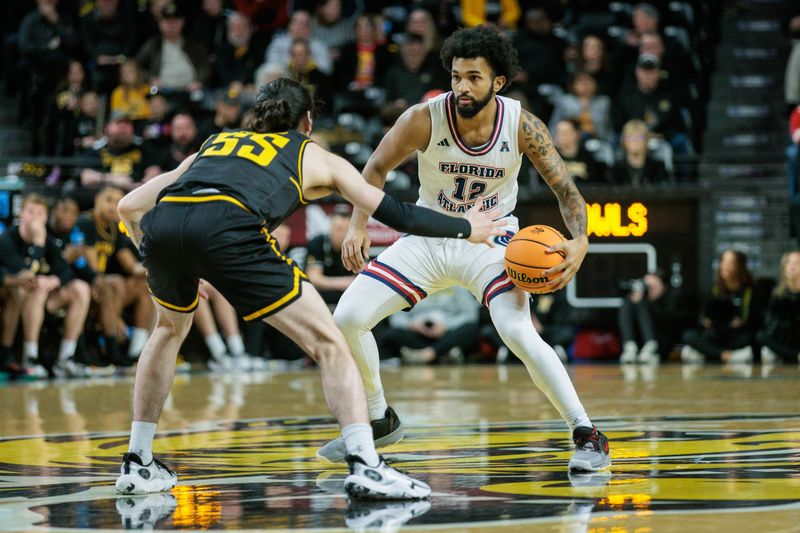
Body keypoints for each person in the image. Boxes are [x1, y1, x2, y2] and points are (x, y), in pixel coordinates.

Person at [114, 77, 504, 498]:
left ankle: (137, 462)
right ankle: (366, 464)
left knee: (168, 329)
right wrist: (467, 227)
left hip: (165, 225)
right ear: (309, 121)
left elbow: (128, 207)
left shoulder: (214, 143)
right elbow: (396, 213)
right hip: (230, 224)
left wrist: (167, 257)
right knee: (330, 342)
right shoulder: (310, 152)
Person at [318, 26, 611, 473]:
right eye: (456, 76)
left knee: (518, 331)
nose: (461, 87)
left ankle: (587, 433)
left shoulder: (522, 124)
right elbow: (374, 167)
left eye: (473, 77)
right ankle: (378, 418)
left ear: (498, 82)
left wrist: (582, 240)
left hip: (492, 242)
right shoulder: (424, 117)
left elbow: (565, 190)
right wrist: (359, 223)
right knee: (348, 318)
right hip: (430, 235)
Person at [0, 194, 91, 378]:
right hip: (15, 296)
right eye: (30, 211)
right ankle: (29, 356)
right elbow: (27, 273)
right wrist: (39, 241)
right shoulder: (7, 239)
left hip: (42, 300)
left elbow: (66, 270)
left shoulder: (49, 240)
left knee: (80, 288)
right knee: (35, 288)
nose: (34, 217)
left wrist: (55, 280)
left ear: (46, 217)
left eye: (40, 213)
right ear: (20, 214)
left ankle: (66, 358)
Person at [681, 250, 760, 364]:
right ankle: (726, 355)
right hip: (715, 334)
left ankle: (707, 353)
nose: (725, 266)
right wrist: (706, 321)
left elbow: (756, 319)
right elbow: (704, 315)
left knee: (751, 338)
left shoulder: (750, 290)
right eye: (723, 261)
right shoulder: (714, 289)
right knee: (689, 336)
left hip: (736, 335)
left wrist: (741, 322)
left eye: (731, 262)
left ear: (740, 266)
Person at [618, 270, 674, 364]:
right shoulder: (635, 303)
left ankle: (651, 346)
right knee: (627, 301)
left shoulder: (669, 301)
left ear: (664, 287)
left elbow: (668, 320)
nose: (648, 289)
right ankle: (629, 346)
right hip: (640, 344)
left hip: (660, 341)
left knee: (642, 303)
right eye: (646, 286)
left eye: (653, 287)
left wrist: (645, 302)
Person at [305, 205, 356, 306]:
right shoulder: (317, 243)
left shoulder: (357, 245)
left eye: (347, 230)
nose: (343, 234)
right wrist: (344, 282)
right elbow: (313, 278)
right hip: (322, 294)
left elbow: (362, 277)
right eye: (339, 229)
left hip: (349, 294)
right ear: (331, 228)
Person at [756, 250, 800, 364]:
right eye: (789, 262)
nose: (792, 266)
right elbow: (770, 323)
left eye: (797, 263)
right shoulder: (777, 293)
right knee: (760, 336)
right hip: (784, 340)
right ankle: (794, 356)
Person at [612, 119, 668, 186]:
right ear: (623, 141)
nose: (635, 141)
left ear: (647, 140)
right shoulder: (616, 169)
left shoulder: (658, 168)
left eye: (639, 137)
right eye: (630, 137)